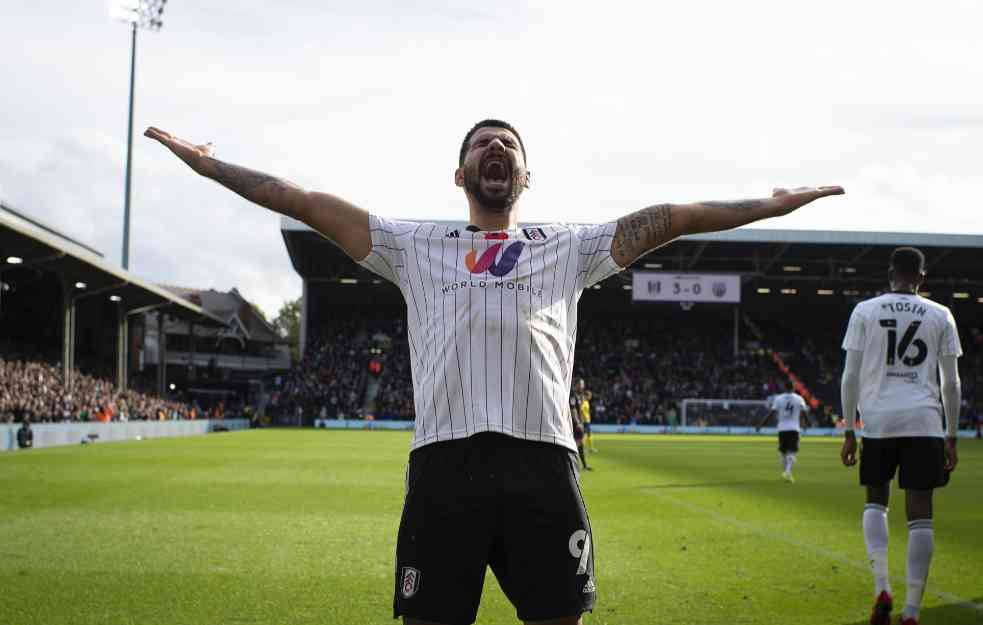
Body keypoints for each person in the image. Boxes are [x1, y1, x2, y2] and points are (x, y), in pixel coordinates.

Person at [145, 119, 843, 625]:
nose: (496, 147)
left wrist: (768, 205)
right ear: (459, 174)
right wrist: (211, 167)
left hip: (542, 462)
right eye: (482, 142)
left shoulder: (570, 247)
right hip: (444, 465)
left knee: (557, 617)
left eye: (508, 143)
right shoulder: (410, 244)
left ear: (526, 176)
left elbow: (676, 217)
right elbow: (299, 201)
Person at [839, 247, 961, 625]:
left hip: (878, 420)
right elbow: (951, 383)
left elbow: (850, 376)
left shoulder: (865, 310)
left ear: (890, 273)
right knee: (920, 515)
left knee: (876, 501)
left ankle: (881, 588)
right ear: (922, 277)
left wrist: (848, 429)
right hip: (923, 421)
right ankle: (911, 611)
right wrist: (951, 435)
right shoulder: (941, 314)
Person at [757, 381, 809, 482]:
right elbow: (804, 412)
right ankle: (788, 472)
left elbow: (771, 413)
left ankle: (787, 473)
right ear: (793, 388)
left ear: (784, 387)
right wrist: (807, 423)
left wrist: (762, 424)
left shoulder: (778, 398)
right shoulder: (799, 398)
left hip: (782, 429)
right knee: (792, 452)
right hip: (794, 428)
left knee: (783, 453)